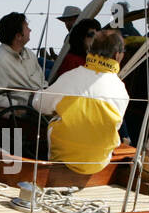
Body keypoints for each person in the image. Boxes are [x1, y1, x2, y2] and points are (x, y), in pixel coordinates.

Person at [33, 29, 130, 175]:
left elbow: (38, 104)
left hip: (61, 159)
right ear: (117, 55)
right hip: (98, 164)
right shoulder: (121, 90)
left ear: (90, 50)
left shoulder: (70, 77)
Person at [0, 12, 46, 115]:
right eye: (27, 27)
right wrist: (17, 105)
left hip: (41, 102)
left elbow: (41, 79)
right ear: (18, 36)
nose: (30, 30)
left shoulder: (29, 54)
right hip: (25, 113)